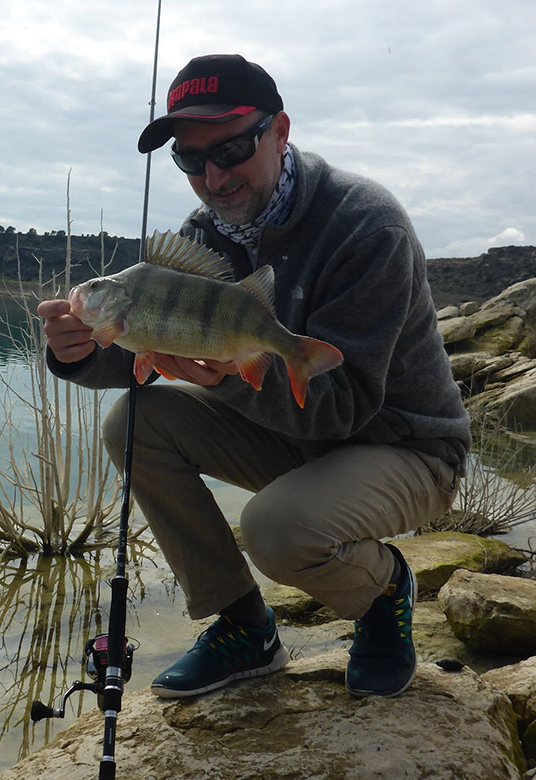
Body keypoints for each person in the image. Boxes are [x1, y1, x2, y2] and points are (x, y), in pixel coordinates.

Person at [37, 53, 470, 700]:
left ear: (280, 132)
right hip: (297, 436)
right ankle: (244, 627)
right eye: (190, 159)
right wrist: (77, 352)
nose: (214, 175)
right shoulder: (201, 240)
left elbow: (341, 408)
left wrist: (227, 378)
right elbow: (144, 347)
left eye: (233, 147)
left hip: (404, 446)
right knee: (134, 422)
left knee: (275, 529)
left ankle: (382, 590)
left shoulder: (366, 225)